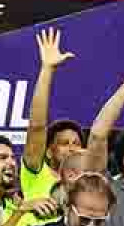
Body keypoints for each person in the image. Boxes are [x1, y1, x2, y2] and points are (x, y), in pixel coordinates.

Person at [20, 27, 87, 204]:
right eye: (64, 144)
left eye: (77, 144)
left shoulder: (88, 184)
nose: (73, 149)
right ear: (49, 152)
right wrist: (47, 69)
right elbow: (37, 127)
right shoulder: (36, 172)